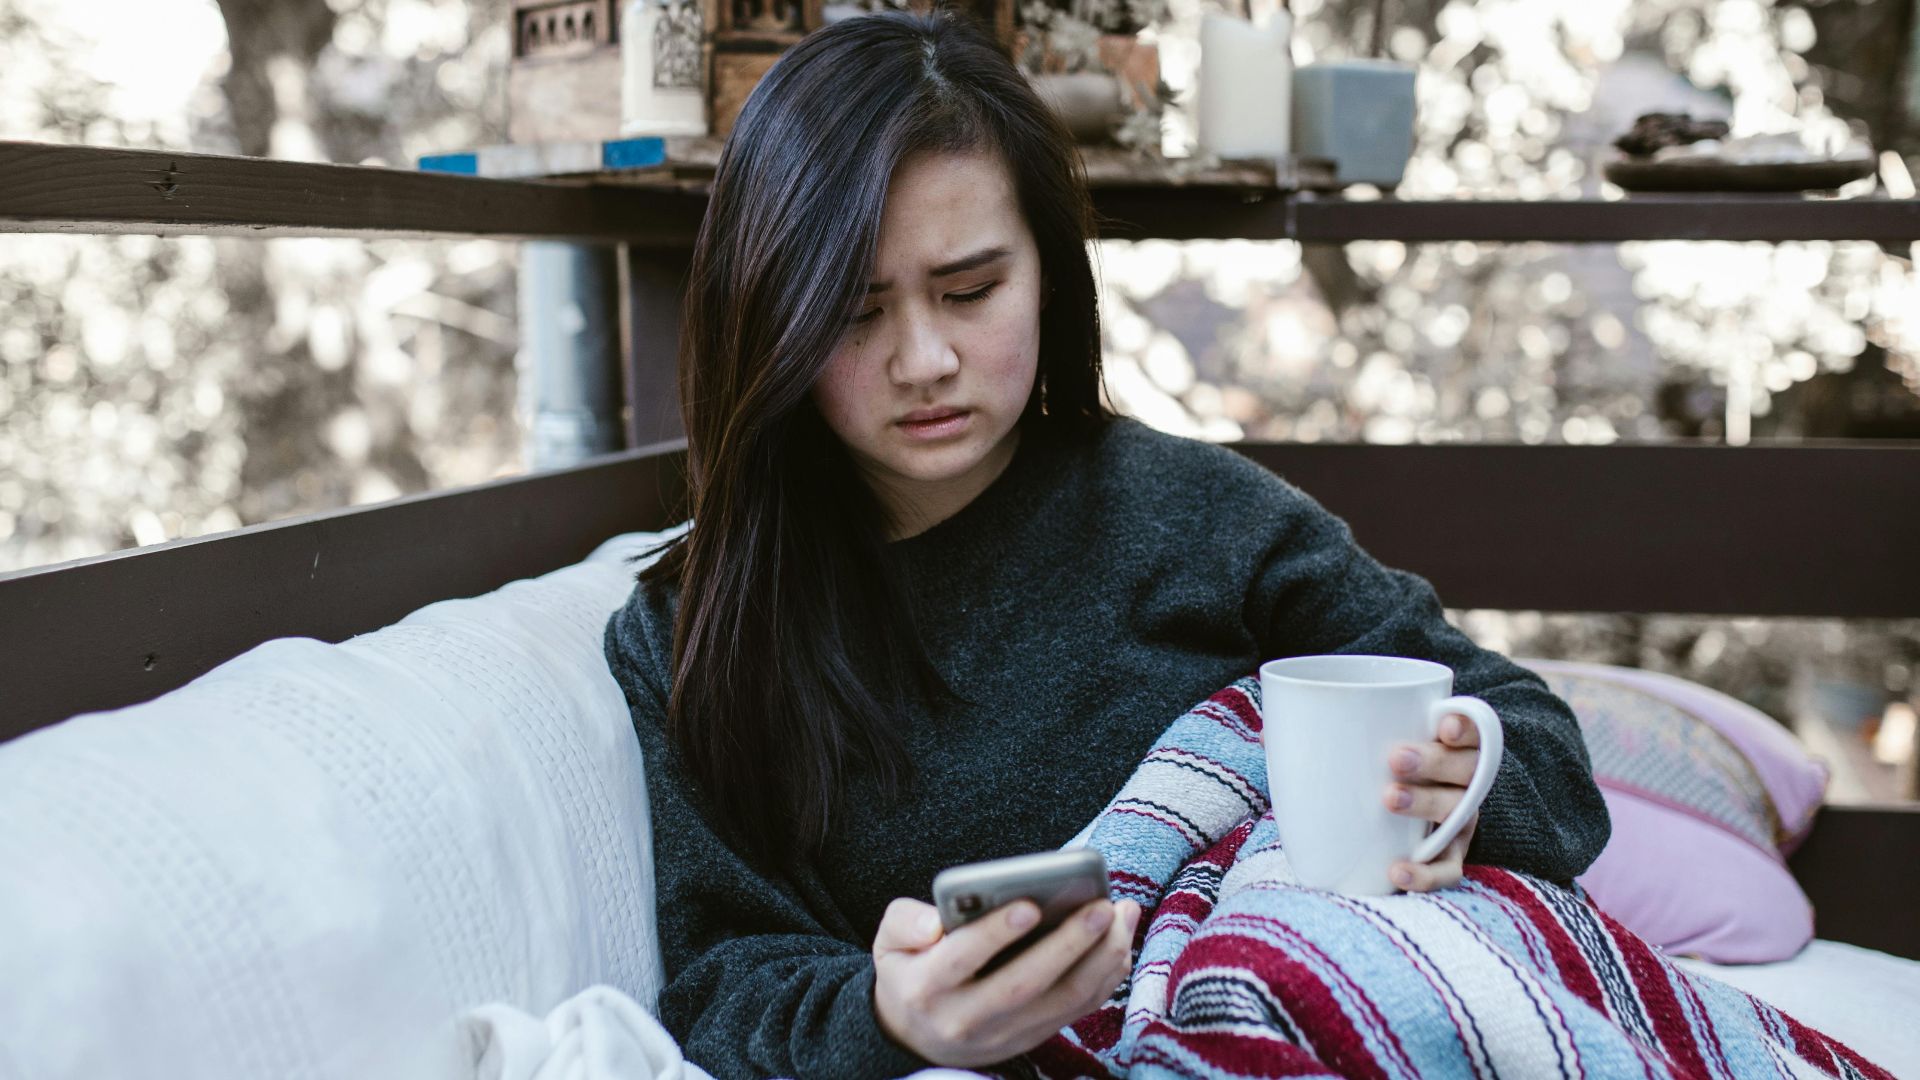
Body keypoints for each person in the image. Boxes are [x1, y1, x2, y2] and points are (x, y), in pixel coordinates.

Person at [602, 8, 1609, 1077]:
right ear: (770, 320)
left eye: (971, 290)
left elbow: (1539, 755)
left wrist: (1462, 792)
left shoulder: (1203, 516)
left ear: (1050, 272)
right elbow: (722, 980)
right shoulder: (691, 632)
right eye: (854, 313)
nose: (925, 358)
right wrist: (893, 1020)